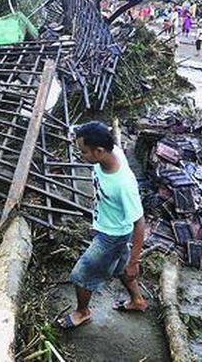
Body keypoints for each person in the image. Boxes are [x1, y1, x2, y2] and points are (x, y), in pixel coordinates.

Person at [58, 122, 146, 329]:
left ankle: (83, 311)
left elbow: (140, 223)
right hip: (109, 226)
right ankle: (137, 301)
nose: (81, 155)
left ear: (99, 151)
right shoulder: (109, 152)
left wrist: (135, 260)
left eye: (83, 151)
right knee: (120, 267)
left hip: (112, 236)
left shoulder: (123, 184)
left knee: (81, 275)